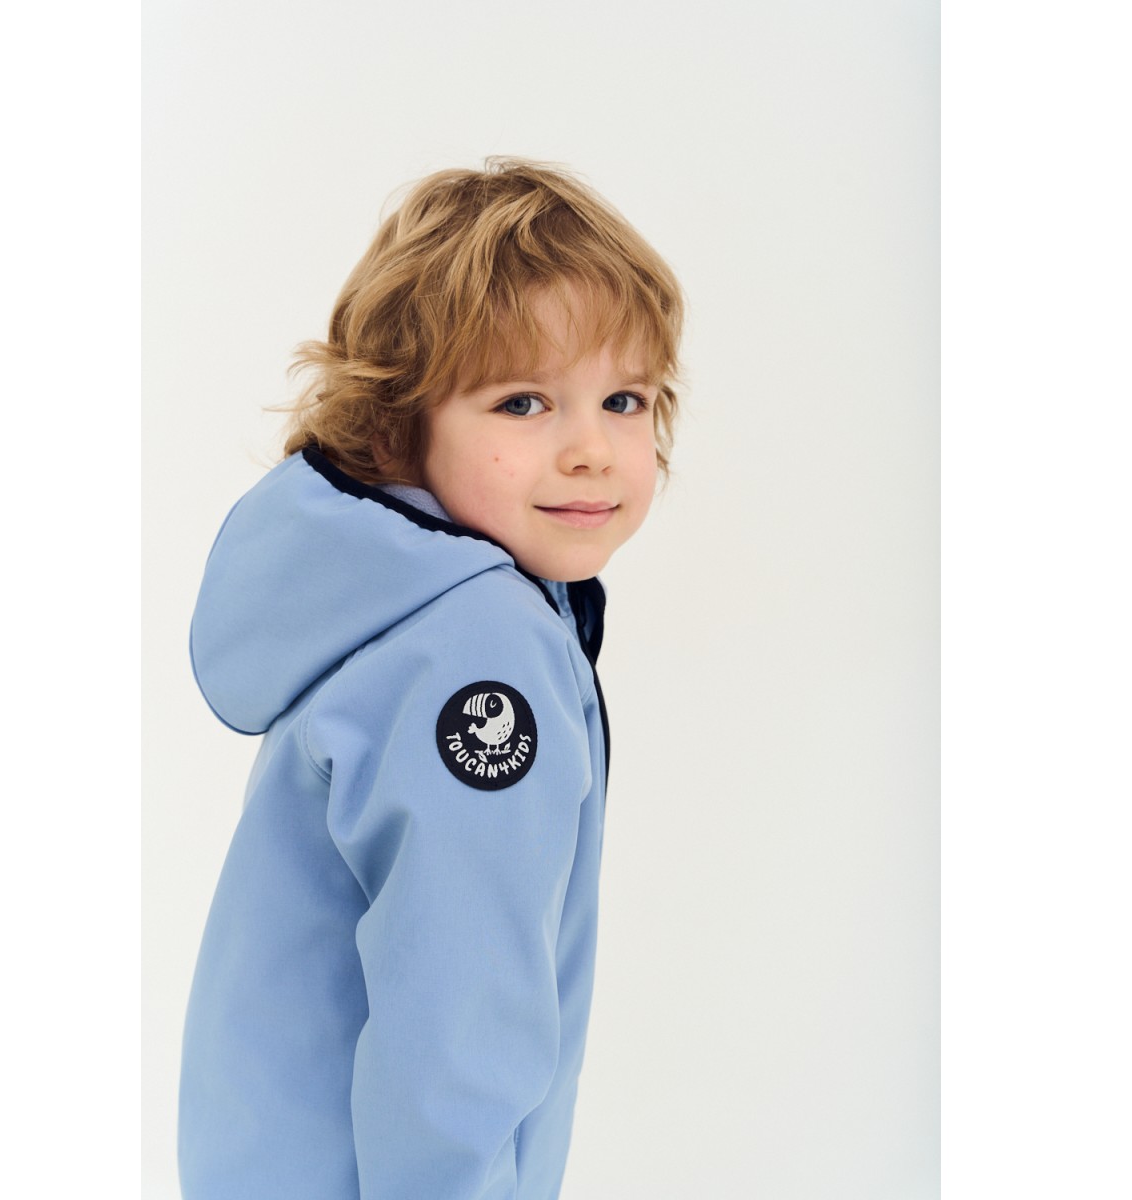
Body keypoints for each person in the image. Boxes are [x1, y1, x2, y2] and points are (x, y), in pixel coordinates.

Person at [178, 158, 684, 1199]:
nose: (592, 448)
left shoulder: (382, 609)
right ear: (399, 425)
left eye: (624, 399)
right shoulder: (479, 653)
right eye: (523, 401)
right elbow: (457, 1025)